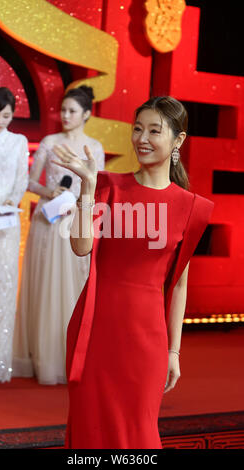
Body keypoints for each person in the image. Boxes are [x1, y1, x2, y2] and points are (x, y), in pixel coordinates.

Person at [52, 96, 215, 449]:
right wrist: (88, 189)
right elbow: (80, 247)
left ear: (178, 140)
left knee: (137, 435)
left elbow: (180, 286)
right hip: (95, 330)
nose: (142, 138)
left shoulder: (193, 209)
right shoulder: (109, 187)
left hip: (146, 341)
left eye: (154, 131)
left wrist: (174, 351)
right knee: (90, 434)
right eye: (137, 129)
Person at [12, 86, 105, 385]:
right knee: (45, 287)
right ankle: (43, 358)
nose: (65, 116)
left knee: (74, 288)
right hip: (48, 221)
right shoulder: (50, 142)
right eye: (63, 110)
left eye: (72, 111)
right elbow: (29, 181)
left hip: (75, 223)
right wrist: (49, 191)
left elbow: (98, 186)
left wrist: (79, 200)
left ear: (87, 114)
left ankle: (72, 356)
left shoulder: (95, 147)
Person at [0, 87, 29, 383]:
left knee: (3, 287)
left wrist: (11, 201)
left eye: (7, 116)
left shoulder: (19, 141)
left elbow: (21, 179)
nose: (1, 121)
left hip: (7, 223)